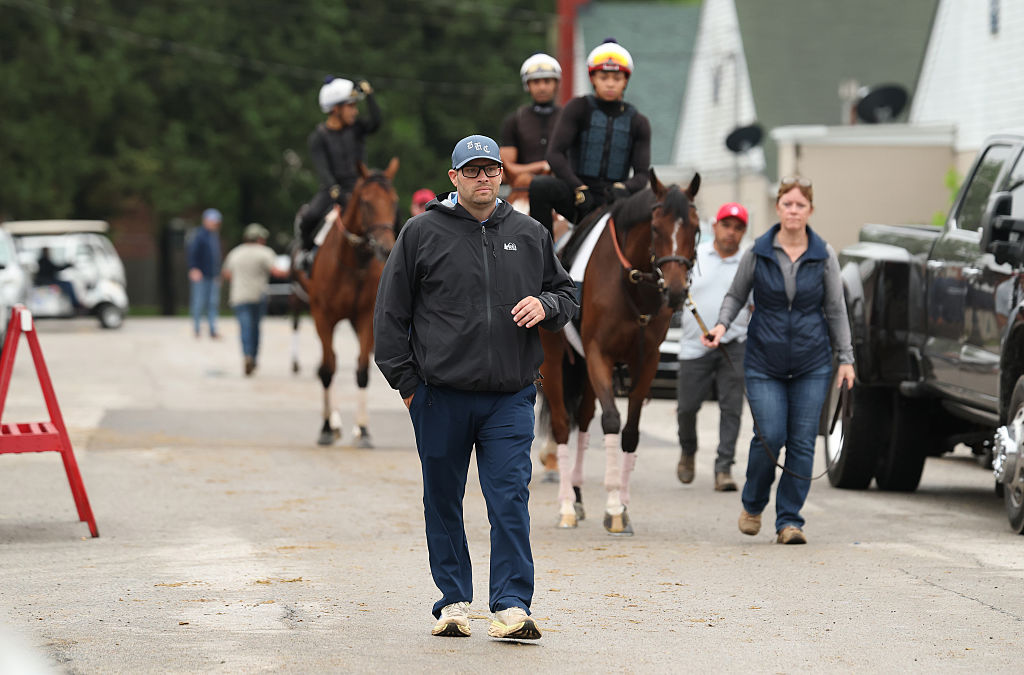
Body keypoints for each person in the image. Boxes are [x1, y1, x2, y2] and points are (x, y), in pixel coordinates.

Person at [374, 134, 577, 640]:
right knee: (443, 500)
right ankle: (453, 602)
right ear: (454, 178)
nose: (482, 178)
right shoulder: (420, 233)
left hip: (509, 395)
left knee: (509, 498)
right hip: (438, 395)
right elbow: (389, 315)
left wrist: (547, 306)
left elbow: (566, 292)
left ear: (501, 176)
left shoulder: (529, 232)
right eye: (472, 171)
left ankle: (511, 605)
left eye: (490, 170)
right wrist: (408, 387)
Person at [702, 177, 856, 545]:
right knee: (770, 435)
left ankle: (789, 521)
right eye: (787, 204)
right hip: (763, 361)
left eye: (800, 205)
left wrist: (846, 358)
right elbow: (736, 295)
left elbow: (836, 309)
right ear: (778, 208)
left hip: (812, 363)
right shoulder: (759, 251)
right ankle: (753, 504)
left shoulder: (824, 255)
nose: (793, 210)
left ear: (810, 211)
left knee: (802, 442)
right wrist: (721, 326)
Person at [528, 38, 652, 237]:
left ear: (626, 80)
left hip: (615, 201)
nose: (610, 83)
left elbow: (642, 175)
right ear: (593, 78)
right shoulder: (578, 107)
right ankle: (542, 253)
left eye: (617, 78)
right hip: (578, 197)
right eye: (604, 77)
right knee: (540, 186)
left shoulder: (639, 121)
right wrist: (578, 186)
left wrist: (624, 187)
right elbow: (555, 154)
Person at [677, 203, 752, 492]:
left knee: (731, 408)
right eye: (726, 225)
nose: (731, 232)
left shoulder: (747, 261)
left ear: (743, 232)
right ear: (714, 226)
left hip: (733, 344)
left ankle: (724, 468)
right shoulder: (695, 258)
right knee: (686, 408)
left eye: (738, 227)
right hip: (694, 345)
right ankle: (688, 451)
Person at [296, 76, 381, 259]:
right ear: (335, 109)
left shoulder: (356, 129)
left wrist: (370, 95)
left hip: (359, 187)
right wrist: (337, 193)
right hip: (333, 189)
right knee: (309, 218)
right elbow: (323, 171)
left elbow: (376, 123)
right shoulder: (318, 137)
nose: (355, 112)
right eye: (351, 106)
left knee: (387, 210)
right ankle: (306, 255)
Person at [222, 223, 287, 376]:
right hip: (257, 296)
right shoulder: (264, 252)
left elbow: (226, 274)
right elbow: (277, 272)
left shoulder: (235, 252)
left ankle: (247, 355)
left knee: (244, 328)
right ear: (259, 238)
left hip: (239, 296)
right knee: (255, 329)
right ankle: (254, 358)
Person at [499, 53, 562, 185]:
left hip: (562, 186)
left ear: (556, 84)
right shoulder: (514, 121)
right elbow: (507, 170)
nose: (542, 87)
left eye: (547, 81)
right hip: (524, 189)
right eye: (536, 82)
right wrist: (542, 166)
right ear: (527, 85)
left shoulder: (568, 118)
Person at [187, 208, 223, 339]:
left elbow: (216, 258)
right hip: (201, 275)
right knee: (198, 303)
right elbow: (192, 254)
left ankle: (213, 330)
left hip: (212, 275)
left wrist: (218, 274)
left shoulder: (214, 236)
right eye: (213, 221)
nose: (215, 224)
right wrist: (193, 268)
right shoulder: (199, 235)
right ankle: (196, 329)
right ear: (206, 220)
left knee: (213, 303)